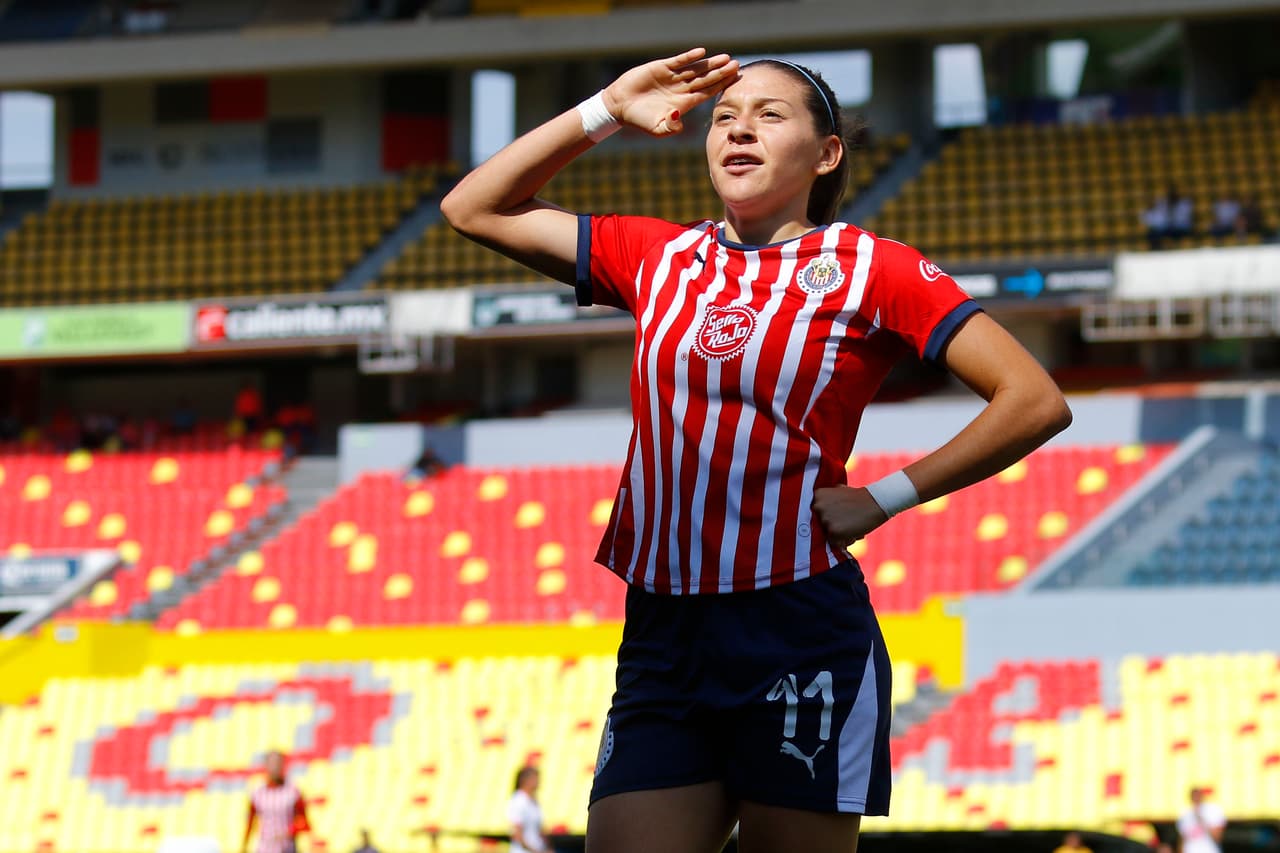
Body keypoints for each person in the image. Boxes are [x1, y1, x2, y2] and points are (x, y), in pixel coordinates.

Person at [441, 47, 1071, 853]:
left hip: (797, 627)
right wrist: (608, 107)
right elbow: (473, 207)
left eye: (770, 115)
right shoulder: (657, 256)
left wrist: (884, 497)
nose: (738, 129)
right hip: (663, 633)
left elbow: (1034, 399)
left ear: (827, 153)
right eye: (723, 117)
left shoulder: (871, 267)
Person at [242, 750, 310, 853]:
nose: (275, 767)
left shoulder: (292, 791)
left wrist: (289, 831)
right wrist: (244, 846)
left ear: (283, 765)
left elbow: (304, 823)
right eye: (272, 764)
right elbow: (250, 822)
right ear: (266, 766)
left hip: (287, 849)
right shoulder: (257, 793)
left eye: (278, 763)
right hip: (264, 848)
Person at [508, 766, 550, 853]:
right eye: (536, 779)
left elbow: (540, 831)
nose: (538, 782)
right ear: (526, 780)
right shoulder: (518, 800)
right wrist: (535, 851)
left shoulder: (534, 802)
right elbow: (517, 834)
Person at [1177, 786, 1226, 853]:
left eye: (1198, 795)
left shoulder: (1213, 810)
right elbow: (1182, 840)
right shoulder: (1185, 814)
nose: (1196, 798)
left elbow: (1217, 837)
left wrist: (1201, 819)